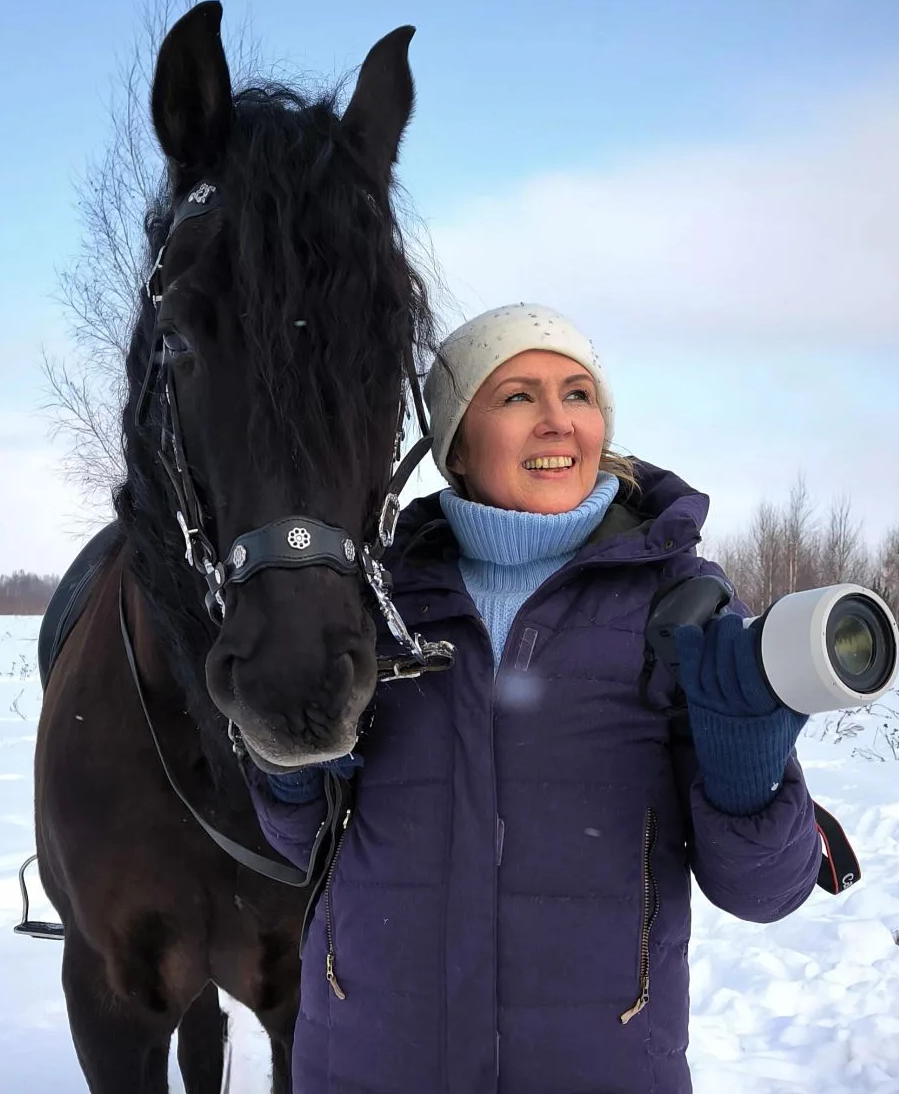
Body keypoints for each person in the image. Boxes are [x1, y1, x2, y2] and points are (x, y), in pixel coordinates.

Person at [244, 303, 823, 1094]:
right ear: (455, 441)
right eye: (517, 396)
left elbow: (766, 893)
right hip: (367, 1061)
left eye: (578, 395)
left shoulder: (678, 603)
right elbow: (302, 837)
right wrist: (287, 760)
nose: (557, 422)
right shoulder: (374, 602)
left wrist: (748, 777)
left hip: (602, 1068)